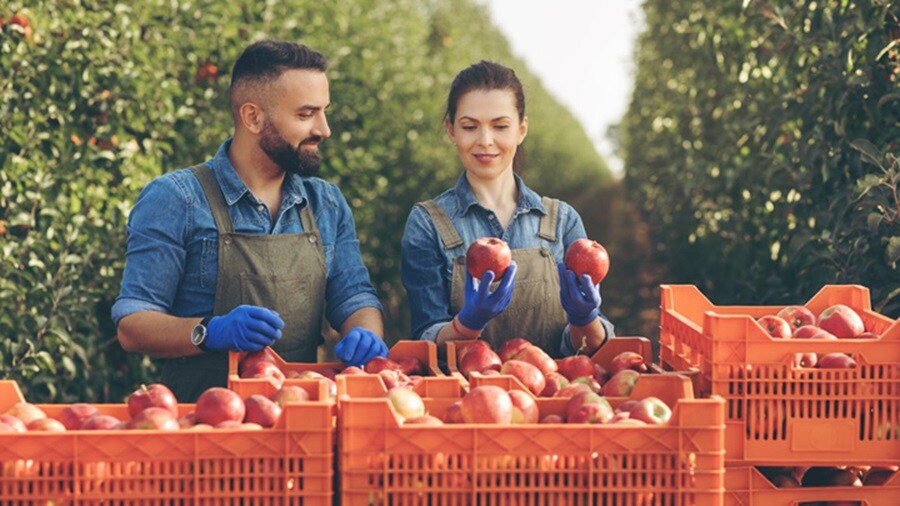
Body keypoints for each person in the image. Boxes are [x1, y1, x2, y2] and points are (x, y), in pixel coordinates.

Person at [112, 40, 387, 401]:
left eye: (324, 111)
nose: (324, 129)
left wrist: (367, 332)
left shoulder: (326, 203)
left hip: (300, 417)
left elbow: (354, 297)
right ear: (253, 117)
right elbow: (133, 325)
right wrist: (211, 331)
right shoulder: (176, 198)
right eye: (306, 115)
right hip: (201, 423)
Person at [401, 60, 614, 358]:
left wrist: (585, 319)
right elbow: (425, 339)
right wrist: (466, 325)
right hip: (466, 397)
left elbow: (588, 348)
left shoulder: (561, 221)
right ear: (451, 131)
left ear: (521, 129)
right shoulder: (428, 223)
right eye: (469, 127)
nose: (485, 141)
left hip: (556, 396)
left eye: (500, 126)